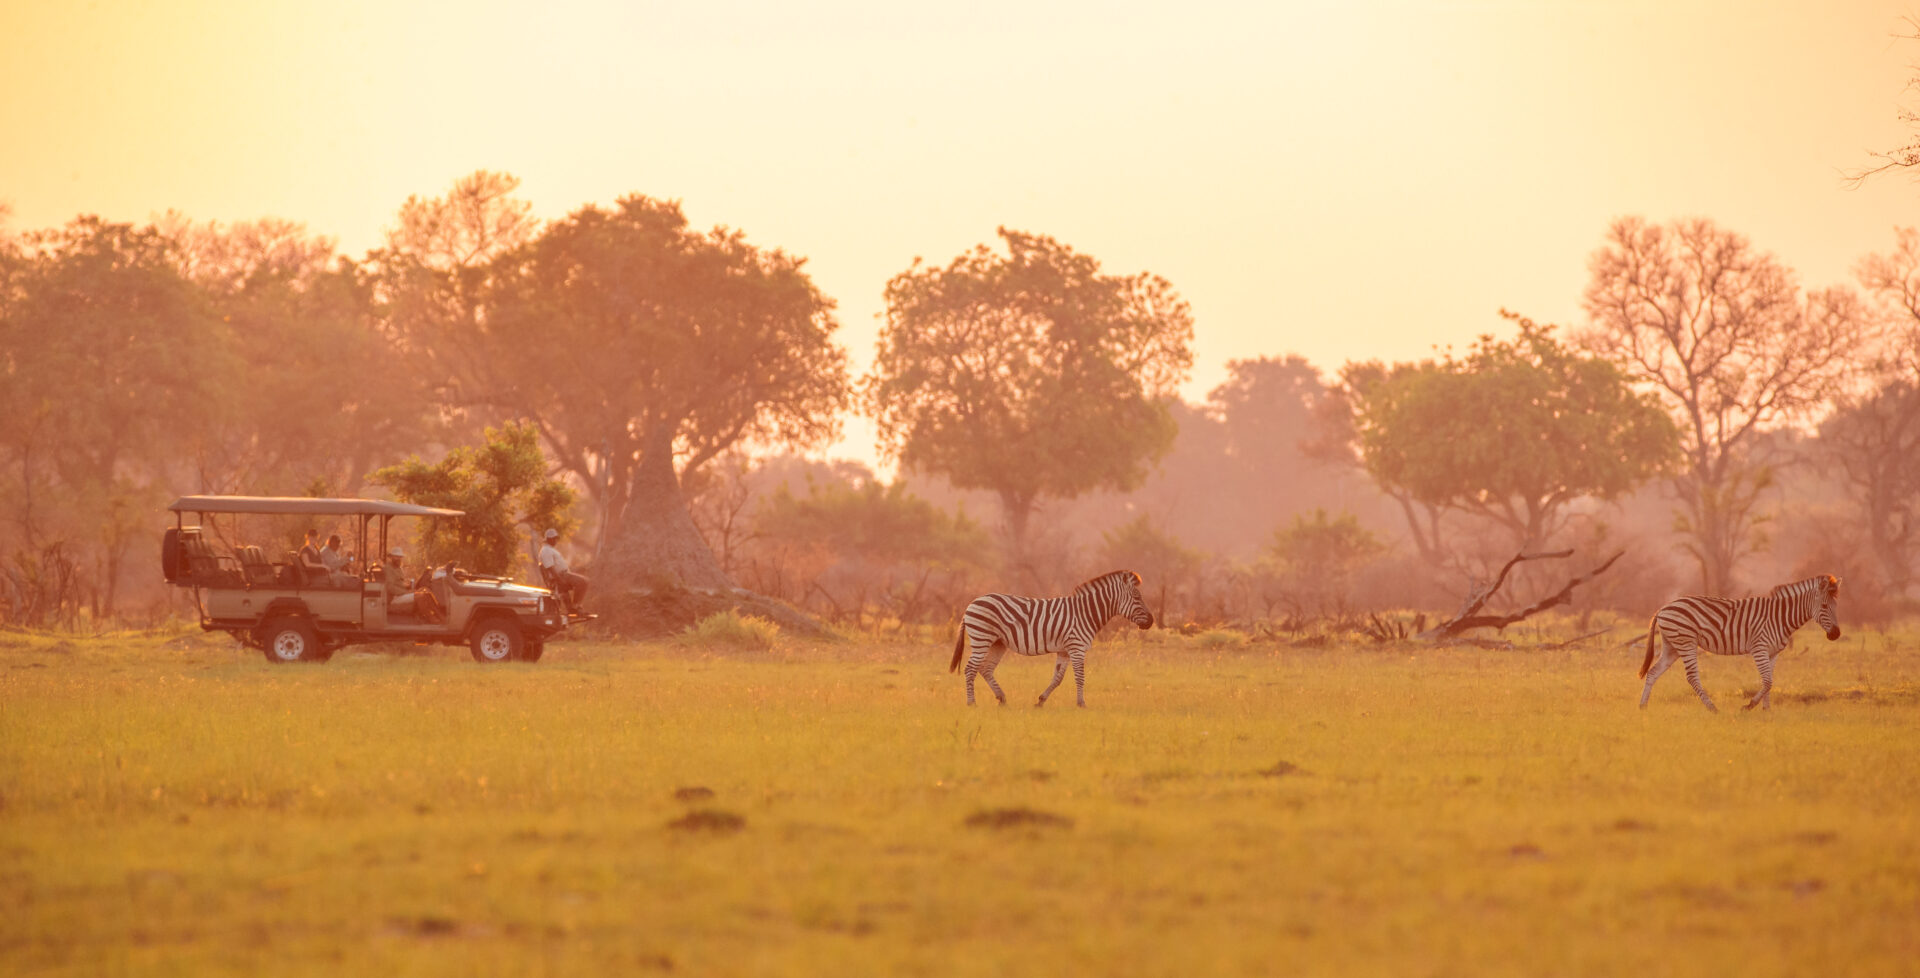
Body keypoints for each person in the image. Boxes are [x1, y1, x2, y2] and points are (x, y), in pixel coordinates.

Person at [538, 527, 589, 611]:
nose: (556, 540)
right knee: (583, 582)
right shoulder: (546, 550)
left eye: (556, 538)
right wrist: (559, 580)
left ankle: (572, 609)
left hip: (563, 574)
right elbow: (550, 567)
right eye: (554, 538)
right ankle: (576, 606)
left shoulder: (550, 549)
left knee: (582, 581)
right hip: (561, 576)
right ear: (549, 539)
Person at [383, 546, 416, 615]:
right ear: (391, 557)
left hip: (400, 594)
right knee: (421, 596)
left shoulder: (398, 568)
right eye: (396, 557)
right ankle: (434, 618)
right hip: (394, 597)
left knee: (425, 592)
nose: (398, 559)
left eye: (400, 557)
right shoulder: (388, 568)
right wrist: (405, 592)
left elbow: (399, 582)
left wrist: (407, 585)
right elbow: (390, 587)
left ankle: (436, 616)